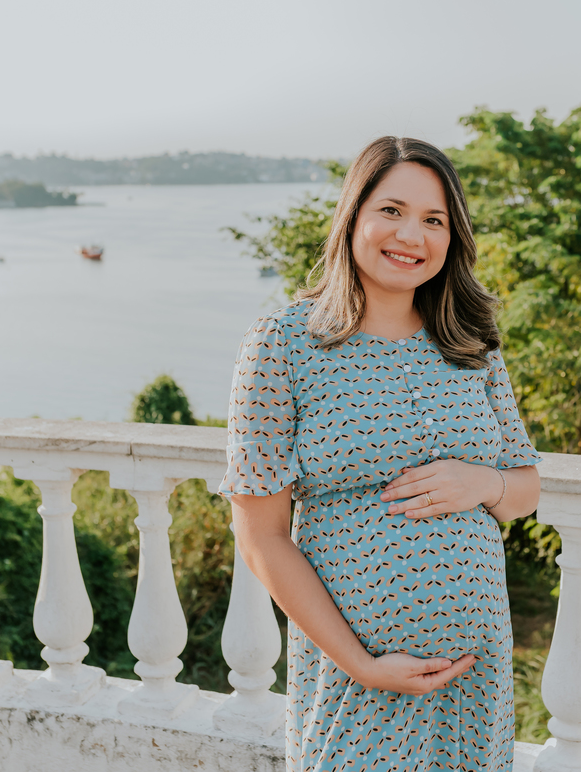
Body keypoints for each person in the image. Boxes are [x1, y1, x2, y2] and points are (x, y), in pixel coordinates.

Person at [219, 136, 541, 771]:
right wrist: (362, 663)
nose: (411, 235)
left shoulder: (471, 345)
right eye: (392, 210)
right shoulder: (283, 344)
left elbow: (525, 488)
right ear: (354, 216)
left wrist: (480, 483)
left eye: (433, 220)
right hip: (357, 675)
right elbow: (260, 536)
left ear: (453, 238)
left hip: (472, 676)